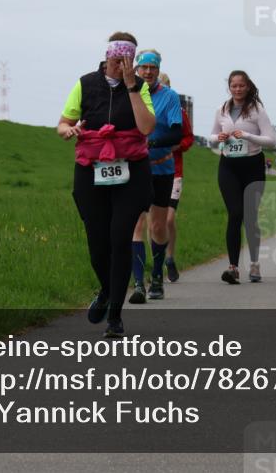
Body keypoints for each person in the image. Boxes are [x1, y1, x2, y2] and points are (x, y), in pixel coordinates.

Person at [59, 32, 156, 338]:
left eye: (126, 61)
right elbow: (63, 122)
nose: (120, 65)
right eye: (116, 60)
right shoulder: (85, 83)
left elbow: (146, 127)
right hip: (92, 168)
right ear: (107, 56)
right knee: (97, 241)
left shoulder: (139, 87)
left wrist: (131, 87)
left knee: (119, 238)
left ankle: (115, 315)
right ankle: (105, 290)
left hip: (131, 171)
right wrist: (67, 130)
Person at [210, 70, 276, 283]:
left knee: (250, 217)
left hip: (253, 166)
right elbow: (210, 138)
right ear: (229, 87)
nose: (237, 89)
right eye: (233, 86)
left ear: (247, 87)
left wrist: (247, 135)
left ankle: (255, 264)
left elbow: (271, 140)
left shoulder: (257, 110)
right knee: (235, 213)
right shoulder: (222, 109)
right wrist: (218, 137)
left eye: (241, 85)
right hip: (228, 165)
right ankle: (233, 267)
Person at [130, 50, 183, 303]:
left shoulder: (170, 96)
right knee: (136, 224)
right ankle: (139, 283)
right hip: (135, 168)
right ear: (136, 69)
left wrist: (153, 142)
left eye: (152, 67)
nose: (148, 72)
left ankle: (158, 275)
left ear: (157, 69)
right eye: (144, 67)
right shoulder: (128, 94)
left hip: (162, 167)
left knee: (158, 226)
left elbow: (177, 134)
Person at [158, 73, 193, 283]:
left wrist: (178, 145)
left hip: (173, 171)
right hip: (150, 170)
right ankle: (157, 260)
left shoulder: (178, 112)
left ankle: (169, 258)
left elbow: (188, 137)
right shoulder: (144, 109)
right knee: (154, 220)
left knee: (168, 218)